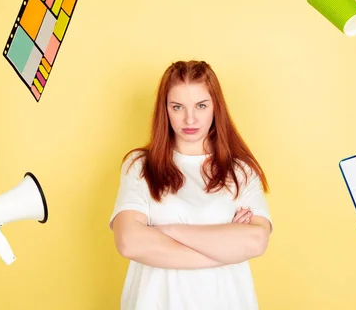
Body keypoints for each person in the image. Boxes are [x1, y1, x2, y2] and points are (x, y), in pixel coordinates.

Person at [108, 60, 273, 310]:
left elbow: (256, 241)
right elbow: (129, 242)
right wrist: (225, 250)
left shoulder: (240, 170)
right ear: (165, 110)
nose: (190, 118)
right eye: (177, 107)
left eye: (201, 105)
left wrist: (167, 230)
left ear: (215, 107)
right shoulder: (139, 166)